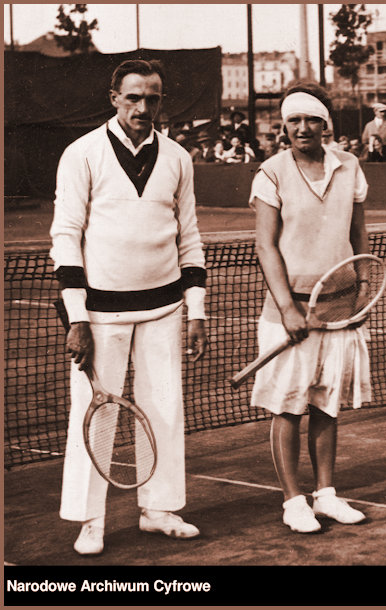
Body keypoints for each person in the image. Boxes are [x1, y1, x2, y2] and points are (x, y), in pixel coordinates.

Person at [49, 59, 208, 555]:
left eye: (153, 98)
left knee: (164, 406)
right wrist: (77, 318)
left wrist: (196, 309)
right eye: (134, 97)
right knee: (96, 416)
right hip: (100, 314)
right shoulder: (82, 154)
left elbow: (190, 237)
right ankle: (90, 520)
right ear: (114, 98)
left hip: (164, 308)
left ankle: (159, 510)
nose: (144, 107)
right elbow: (66, 236)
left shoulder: (178, 157)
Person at [248, 81, 371, 534]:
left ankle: (326, 494)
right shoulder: (271, 172)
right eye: (293, 120)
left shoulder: (351, 167)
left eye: (310, 119)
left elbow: (359, 235)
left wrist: (362, 288)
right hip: (290, 313)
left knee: (327, 404)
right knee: (288, 408)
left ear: (325, 123)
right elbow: (265, 246)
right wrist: (287, 309)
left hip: (340, 309)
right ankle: (293, 500)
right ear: (284, 126)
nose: (302, 128)